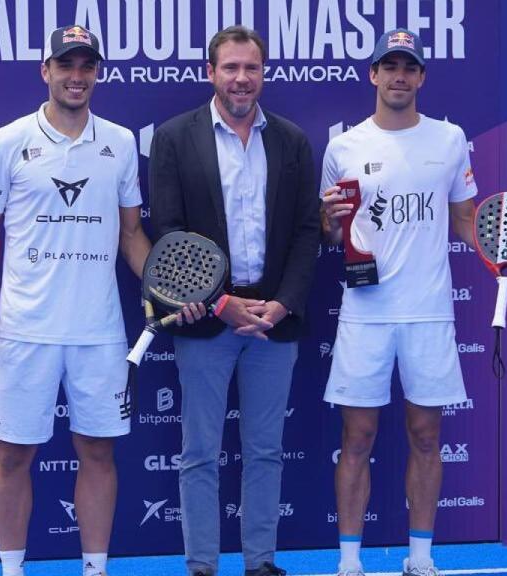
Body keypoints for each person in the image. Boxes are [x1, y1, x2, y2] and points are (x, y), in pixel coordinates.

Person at [318, 28, 507, 576]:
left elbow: (469, 221)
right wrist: (329, 223)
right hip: (365, 313)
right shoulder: (343, 147)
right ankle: (349, 562)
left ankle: (419, 557)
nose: (399, 76)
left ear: (421, 77)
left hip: (428, 313)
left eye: (409, 67)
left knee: (426, 437)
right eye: (389, 66)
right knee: (357, 438)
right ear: (373, 75)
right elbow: (334, 235)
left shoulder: (449, 140)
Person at [0, 25, 154, 576]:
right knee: (13, 454)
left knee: (98, 453)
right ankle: (12, 571)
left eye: (86, 66)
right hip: (25, 329)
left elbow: (131, 233)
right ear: (45, 71)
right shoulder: (7, 141)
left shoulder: (119, 142)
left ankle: (95, 570)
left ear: (97, 74)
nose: (76, 76)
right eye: (65, 65)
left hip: (98, 332)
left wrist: (163, 286)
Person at [148, 25, 320, 576]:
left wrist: (285, 301)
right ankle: (201, 566)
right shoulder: (175, 137)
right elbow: (169, 232)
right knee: (200, 453)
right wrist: (219, 302)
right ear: (211, 73)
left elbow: (304, 232)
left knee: (265, 451)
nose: (241, 79)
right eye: (230, 68)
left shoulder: (291, 140)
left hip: (272, 321)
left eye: (251, 68)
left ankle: (259, 563)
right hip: (206, 320)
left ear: (263, 73)